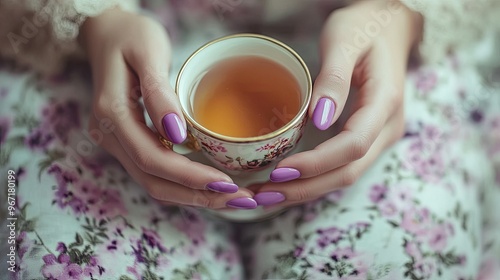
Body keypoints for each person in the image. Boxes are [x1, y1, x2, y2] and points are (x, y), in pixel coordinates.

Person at [1, 0, 499, 279]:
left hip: (364, 58)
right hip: (119, 58)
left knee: (397, 264)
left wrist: (396, 18)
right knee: (67, 265)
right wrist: (95, 21)